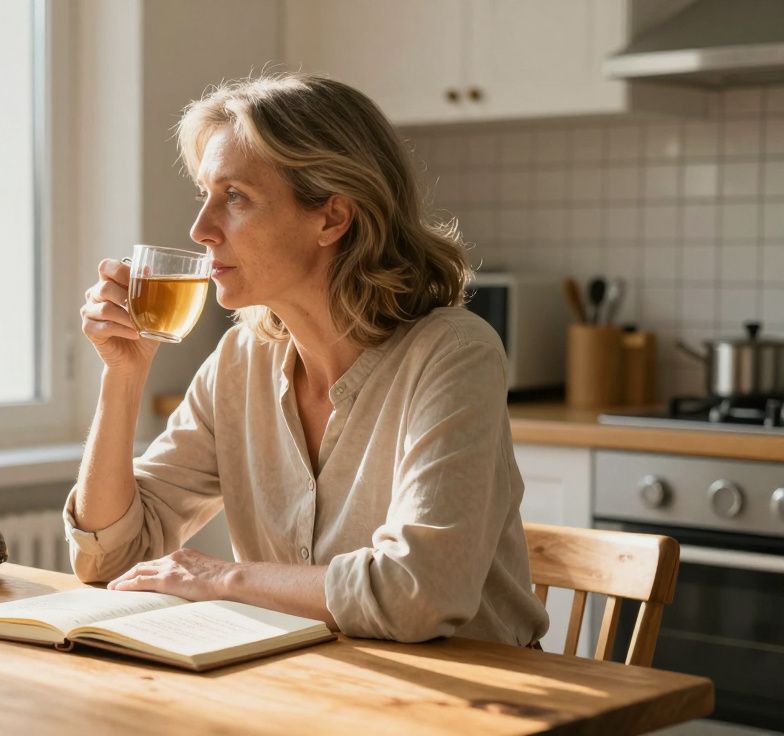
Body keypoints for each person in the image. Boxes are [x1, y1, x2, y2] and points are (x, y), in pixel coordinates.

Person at [67, 73, 549, 646]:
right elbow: (108, 557)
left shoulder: (452, 354)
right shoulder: (240, 361)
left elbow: (418, 595)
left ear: (331, 217)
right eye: (206, 195)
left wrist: (225, 579)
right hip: (316, 686)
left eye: (235, 197)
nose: (201, 229)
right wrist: (123, 374)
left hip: (475, 705)